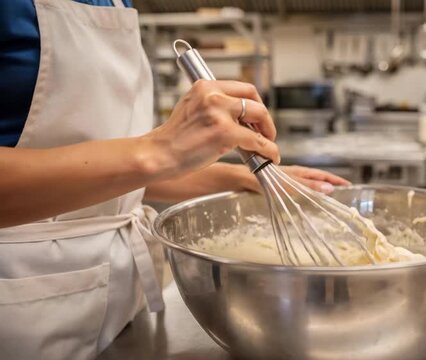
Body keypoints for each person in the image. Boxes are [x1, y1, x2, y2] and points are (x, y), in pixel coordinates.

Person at [0, 1, 349, 359]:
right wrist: (159, 149)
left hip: (119, 300)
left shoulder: (118, 3)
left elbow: (113, 174)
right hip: (22, 305)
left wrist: (238, 178)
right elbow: (138, 159)